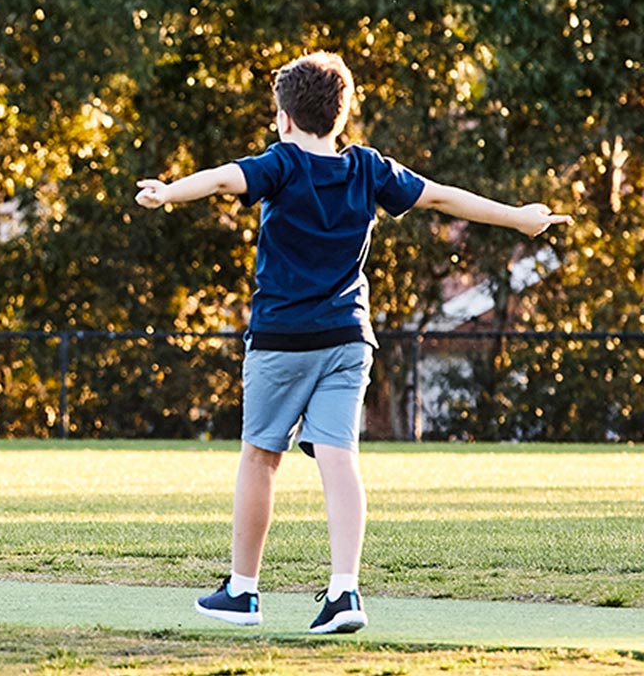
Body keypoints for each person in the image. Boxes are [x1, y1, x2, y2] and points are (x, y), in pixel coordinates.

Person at [135, 51, 568, 634]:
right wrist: (517, 217)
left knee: (261, 457)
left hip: (281, 340)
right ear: (339, 117)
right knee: (339, 460)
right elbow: (441, 197)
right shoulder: (367, 169)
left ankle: (242, 591)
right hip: (347, 339)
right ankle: (345, 593)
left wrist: (167, 193)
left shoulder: (280, 164)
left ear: (284, 118)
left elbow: (219, 180)